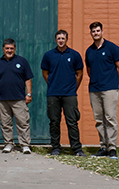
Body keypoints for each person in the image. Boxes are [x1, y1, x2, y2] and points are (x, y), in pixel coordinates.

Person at [40, 29, 86, 157]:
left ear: (67, 40)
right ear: (56, 40)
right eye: (59, 38)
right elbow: (45, 73)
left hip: (70, 94)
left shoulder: (74, 55)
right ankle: (55, 147)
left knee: (72, 121)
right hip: (53, 93)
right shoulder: (49, 55)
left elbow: (80, 73)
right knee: (54, 121)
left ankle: (76, 149)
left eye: (63, 38)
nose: (61, 40)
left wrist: (73, 88)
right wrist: (52, 83)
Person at [85, 21, 119, 159]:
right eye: (93, 31)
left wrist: (115, 82)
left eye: (97, 31)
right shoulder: (89, 51)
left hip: (109, 89)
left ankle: (112, 148)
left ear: (102, 31)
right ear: (91, 33)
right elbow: (89, 71)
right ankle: (103, 146)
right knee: (99, 119)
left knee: (110, 118)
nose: (95, 33)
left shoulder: (113, 48)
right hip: (94, 89)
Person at [0, 38, 34, 154]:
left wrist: (29, 94)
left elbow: (28, 79)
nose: (9, 50)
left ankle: (25, 145)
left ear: (15, 49)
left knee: (23, 122)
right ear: (3, 49)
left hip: (19, 98)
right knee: (5, 123)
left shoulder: (22, 61)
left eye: (11, 48)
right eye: (7, 48)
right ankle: (8, 143)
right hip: (3, 99)